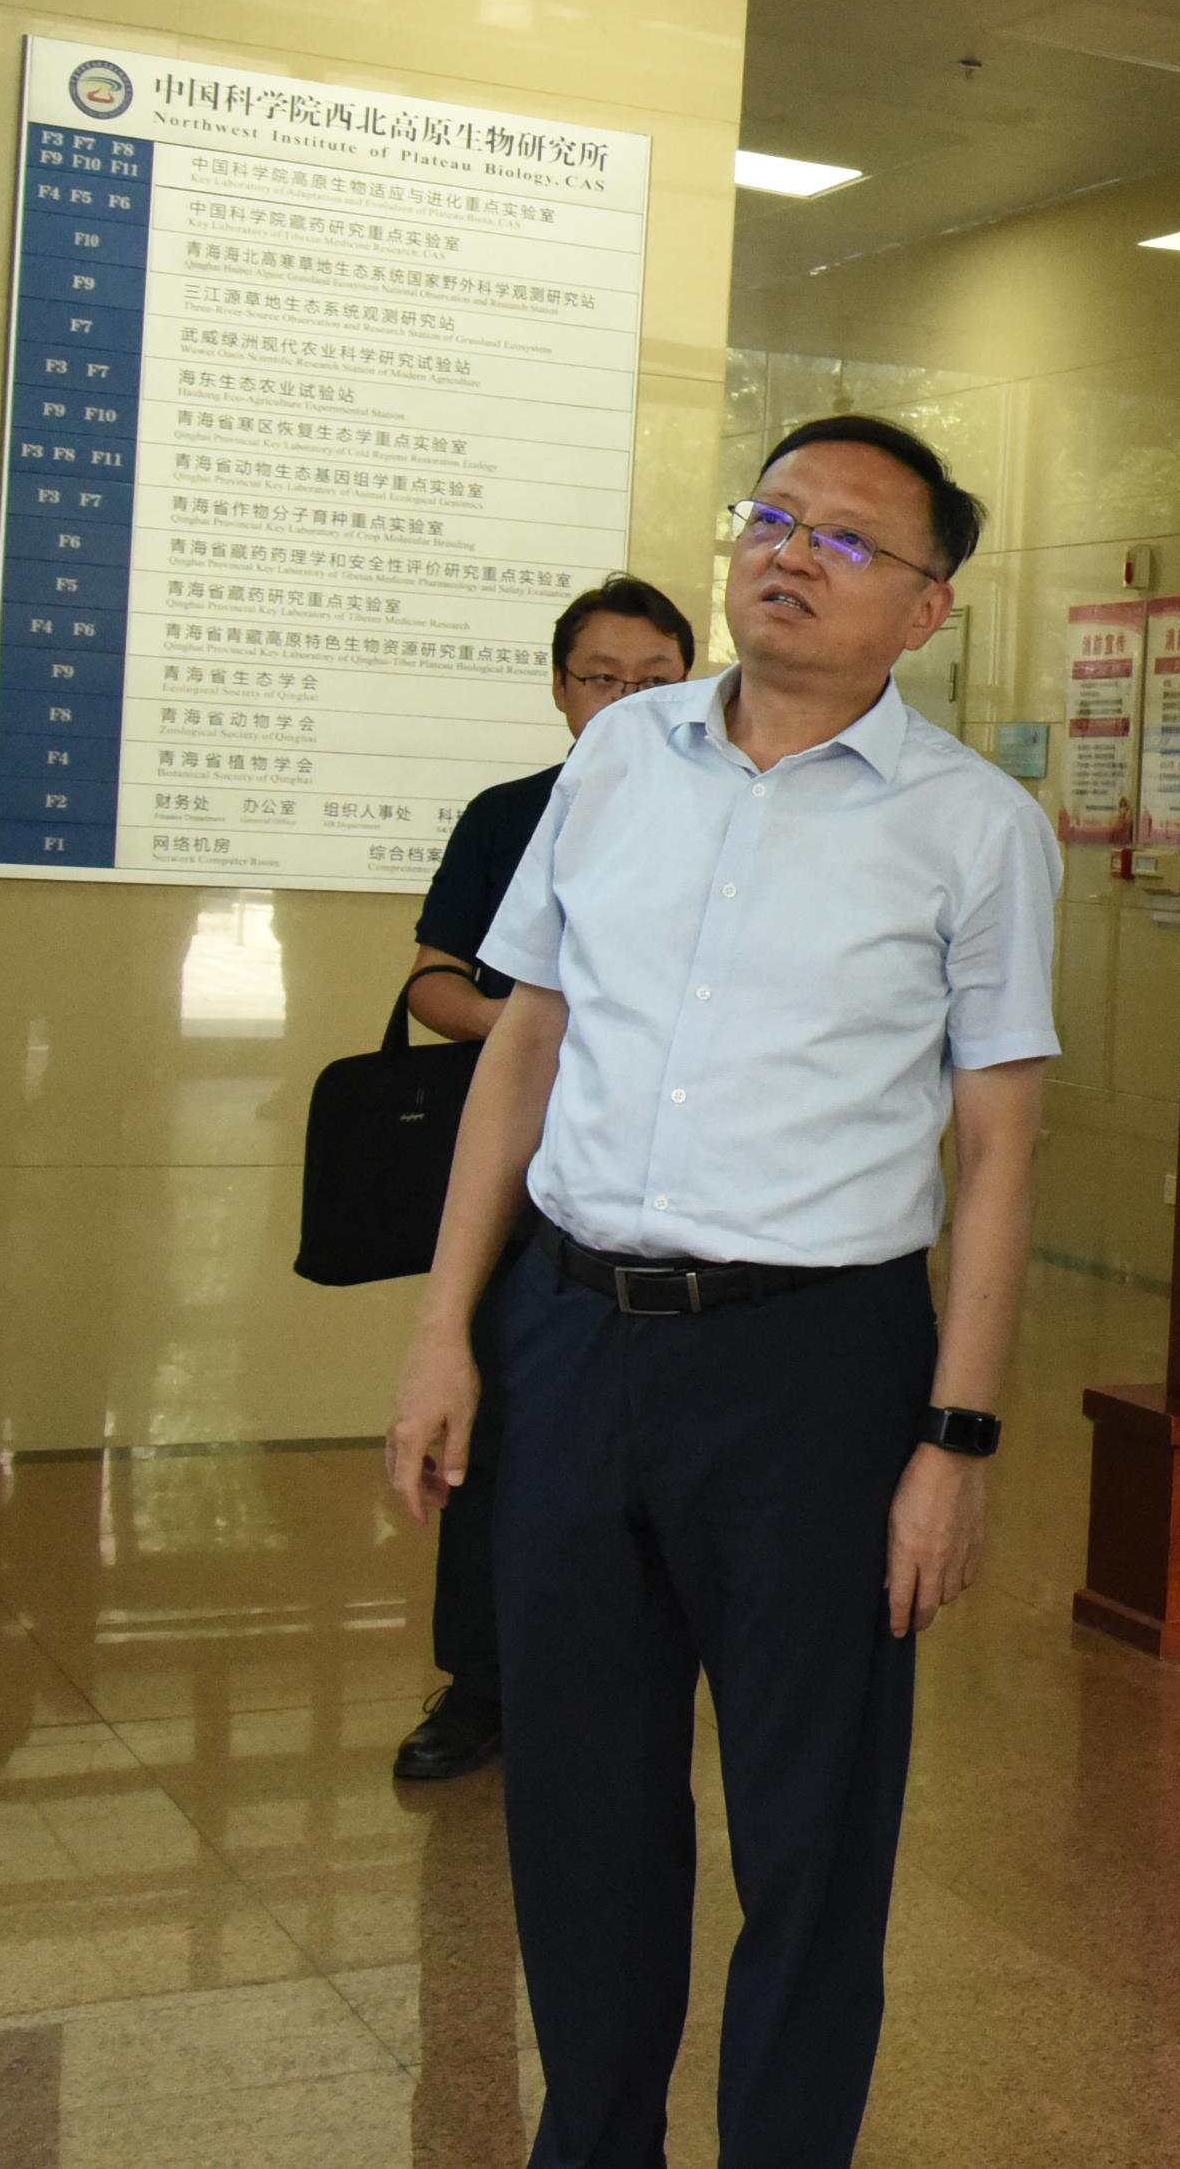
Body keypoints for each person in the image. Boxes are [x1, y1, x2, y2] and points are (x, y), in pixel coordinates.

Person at [383, 415, 1059, 2169]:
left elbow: (998, 1143)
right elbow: (525, 1039)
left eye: (848, 537)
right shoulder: (621, 757)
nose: (790, 549)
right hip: (570, 1332)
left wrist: (957, 1436)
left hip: (813, 1369)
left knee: (809, 1825)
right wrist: (447, 1325)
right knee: (583, 1811)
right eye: (775, 513)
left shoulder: (975, 826)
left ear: (928, 606)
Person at [389, 573, 696, 1788]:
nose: (624, 700)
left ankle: (627, 1679)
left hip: (677, 1195)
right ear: (561, 688)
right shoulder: (512, 813)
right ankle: (482, 1683)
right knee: (497, 1430)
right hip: (527, 1178)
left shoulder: (730, 816)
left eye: (654, 680)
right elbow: (434, 980)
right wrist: (533, 1032)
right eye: (600, 679)